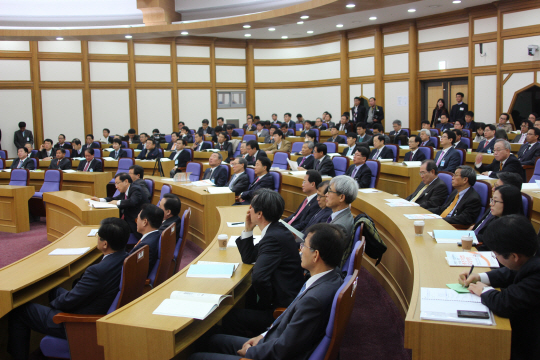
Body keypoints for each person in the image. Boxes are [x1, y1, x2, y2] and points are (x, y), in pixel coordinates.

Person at [191, 223, 344, 360]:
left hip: (273, 352)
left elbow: (284, 348)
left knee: (196, 357)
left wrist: (251, 352)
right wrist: (262, 336)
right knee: (213, 340)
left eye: (304, 246)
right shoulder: (332, 277)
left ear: (316, 255)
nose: (301, 249)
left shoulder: (314, 300)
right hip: (271, 340)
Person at [8, 217, 129, 360]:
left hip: (81, 324)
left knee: (20, 311)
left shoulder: (97, 271)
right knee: (54, 291)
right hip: (98, 307)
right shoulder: (125, 257)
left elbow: (70, 300)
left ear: (105, 244)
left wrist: (55, 307)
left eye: (99, 236)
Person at [223, 190, 305, 336]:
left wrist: (266, 304)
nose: (249, 210)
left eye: (251, 207)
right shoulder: (276, 230)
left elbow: (259, 278)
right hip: (287, 294)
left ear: (259, 214)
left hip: (281, 308)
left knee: (229, 316)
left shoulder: (273, 237)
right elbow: (249, 258)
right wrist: (248, 229)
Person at [458, 215, 540, 360]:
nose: (496, 258)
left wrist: (483, 290)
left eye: (496, 255)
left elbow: (505, 303)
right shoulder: (529, 256)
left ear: (514, 256)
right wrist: (480, 277)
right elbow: (513, 271)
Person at [92, 172, 150, 237]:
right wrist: (100, 200)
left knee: (112, 229)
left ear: (126, 181)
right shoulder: (125, 190)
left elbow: (132, 201)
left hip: (135, 222)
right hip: (127, 218)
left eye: (117, 183)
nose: (116, 187)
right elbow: (115, 198)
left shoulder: (135, 189)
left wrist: (117, 202)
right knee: (107, 223)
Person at [471, 185, 523, 250]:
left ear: (508, 203)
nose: (491, 204)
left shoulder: (513, 228)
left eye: (495, 201)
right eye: (492, 200)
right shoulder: (496, 218)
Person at [130, 204, 164, 275]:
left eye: (137, 219)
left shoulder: (145, 246)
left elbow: (133, 271)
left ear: (145, 222)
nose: (136, 222)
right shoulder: (158, 235)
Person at [325, 176, 357, 241]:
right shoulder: (344, 215)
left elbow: (326, 250)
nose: (326, 194)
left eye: (330, 191)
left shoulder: (339, 227)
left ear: (341, 197)